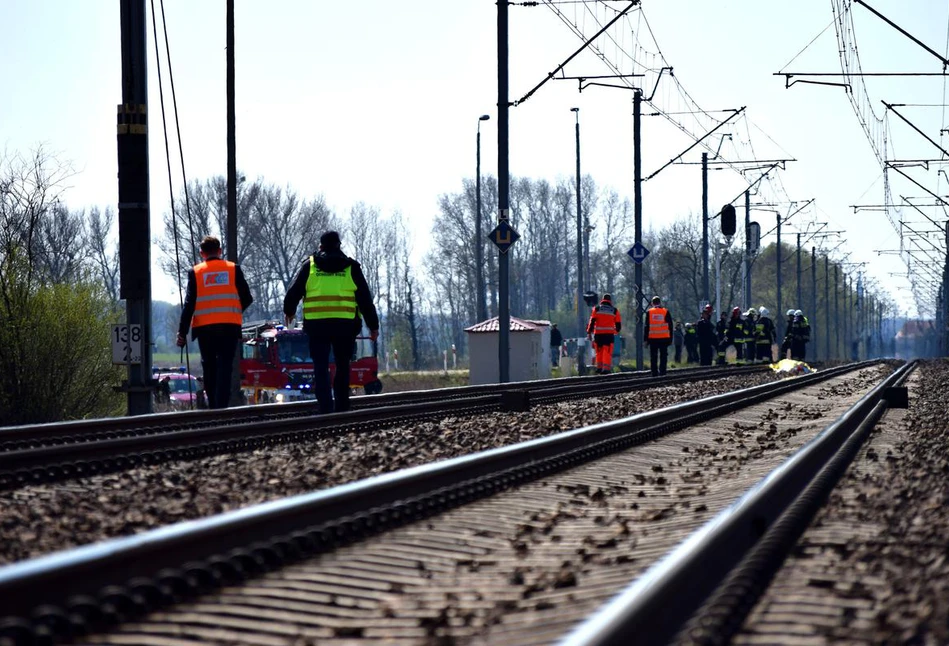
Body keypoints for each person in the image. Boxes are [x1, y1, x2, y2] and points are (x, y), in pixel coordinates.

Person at [284, 231, 379, 414]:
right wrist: (373, 326)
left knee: (320, 365)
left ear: (321, 246)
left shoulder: (309, 266)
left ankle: (325, 406)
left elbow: (294, 292)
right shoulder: (351, 268)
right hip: (345, 326)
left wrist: (289, 311)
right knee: (343, 365)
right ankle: (342, 405)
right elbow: (365, 301)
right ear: (339, 245)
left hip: (317, 326)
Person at [177, 235, 254, 409]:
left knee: (209, 366)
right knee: (226, 367)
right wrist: (233, 311)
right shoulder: (233, 269)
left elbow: (189, 305)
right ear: (220, 251)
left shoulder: (196, 272)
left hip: (205, 329)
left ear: (201, 253)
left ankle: (213, 405)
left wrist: (182, 333)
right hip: (229, 327)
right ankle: (222, 406)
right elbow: (247, 298)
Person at [586, 293, 622, 374]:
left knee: (599, 351)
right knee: (607, 351)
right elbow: (618, 325)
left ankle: (599, 367)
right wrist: (615, 331)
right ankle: (606, 368)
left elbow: (592, 321)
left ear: (602, 299)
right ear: (610, 300)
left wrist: (589, 332)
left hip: (598, 334)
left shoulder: (597, 309)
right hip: (609, 335)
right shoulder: (614, 310)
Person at [644, 296, 673, 377]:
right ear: (660, 302)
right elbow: (670, 326)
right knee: (663, 356)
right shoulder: (665, 311)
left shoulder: (649, 312)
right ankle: (663, 372)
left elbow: (647, 326)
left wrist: (645, 339)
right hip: (664, 338)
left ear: (652, 303)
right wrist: (671, 339)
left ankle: (654, 373)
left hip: (653, 338)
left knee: (653, 357)